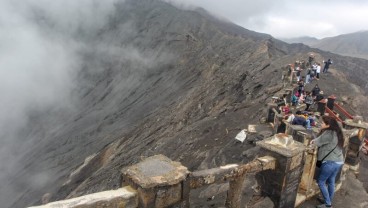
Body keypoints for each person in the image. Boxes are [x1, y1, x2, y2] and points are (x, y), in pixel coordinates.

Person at [311, 116, 344, 208]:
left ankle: (328, 205)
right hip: (339, 161)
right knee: (331, 182)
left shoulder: (329, 133)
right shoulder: (337, 133)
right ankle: (328, 200)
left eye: (322, 123)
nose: (320, 124)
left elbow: (316, 142)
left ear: (328, 125)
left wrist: (312, 141)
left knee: (321, 182)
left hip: (330, 162)